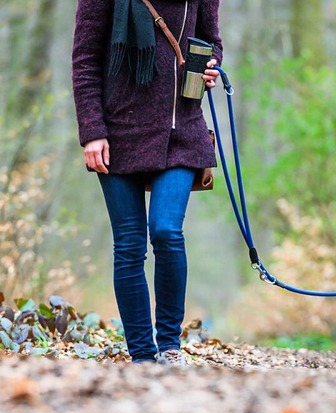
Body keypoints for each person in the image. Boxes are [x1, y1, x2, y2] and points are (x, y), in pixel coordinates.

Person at [71, 0, 223, 365]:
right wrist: (92, 131)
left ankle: (169, 347)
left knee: (167, 231)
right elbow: (85, 60)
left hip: (180, 132)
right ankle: (142, 356)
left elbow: (211, 41)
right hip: (117, 133)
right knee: (129, 244)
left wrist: (211, 68)